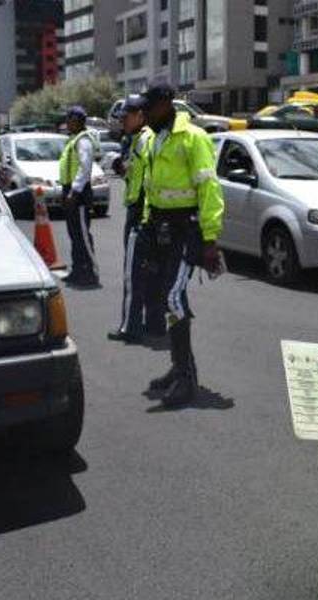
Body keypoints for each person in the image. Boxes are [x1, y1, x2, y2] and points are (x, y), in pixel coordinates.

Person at [140, 84, 225, 407]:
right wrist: (148, 224)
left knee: (172, 297)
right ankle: (178, 369)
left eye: (149, 107)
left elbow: (208, 188)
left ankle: (187, 380)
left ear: (165, 105)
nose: (144, 114)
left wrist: (210, 239)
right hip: (160, 228)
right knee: (162, 294)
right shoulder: (153, 138)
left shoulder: (193, 137)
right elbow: (152, 187)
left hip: (186, 230)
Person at [108, 94, 164, 343]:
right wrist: (124, 170)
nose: (122, 122)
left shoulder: (143, 140)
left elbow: (148, 181)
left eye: (126, 117)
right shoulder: (143, 139)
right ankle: (154, 323)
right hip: (148, 213)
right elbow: (139, 175)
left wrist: (142, 217)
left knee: (133, 273)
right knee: (151, 272)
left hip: (140, 214)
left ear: (140, 116)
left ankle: (130, 327)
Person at [58, 105, 101, 288]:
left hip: (79, 193)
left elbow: (85, 168)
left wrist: (74, 191)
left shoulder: (83, 141)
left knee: (82, 235)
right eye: (68, 120)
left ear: (79, 122)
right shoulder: (73, 139)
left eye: (71, 120)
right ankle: (77, 270)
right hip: (70, 190)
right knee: (74, 235)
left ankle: (90, 273)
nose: (68, 123)